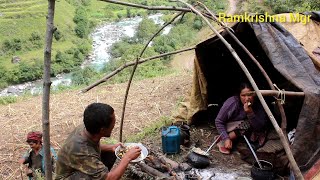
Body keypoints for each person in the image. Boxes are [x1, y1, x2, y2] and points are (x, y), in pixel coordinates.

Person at [55, 102, 141, 180]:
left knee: (112, 152)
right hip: (68, 177)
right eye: (113, 123)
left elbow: (90, 147)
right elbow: (109, 179)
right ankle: (101, 175)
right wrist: (127, 158)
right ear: (102, 130)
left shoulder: (87, 128)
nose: (114, 124)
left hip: (80, 161)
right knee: (88, 177)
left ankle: (101, 173)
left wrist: (111, 148)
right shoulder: (82, 150)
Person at [214, 82, 268, 154]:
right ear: (239, 95)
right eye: (243, 95)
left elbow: (259, 126)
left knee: (254, 126)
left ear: (254, 94)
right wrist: (226, 138)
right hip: (229, 126)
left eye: (250, 95)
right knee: (247, 124)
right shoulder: (232, 102)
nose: (247, 98)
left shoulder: (258, 105)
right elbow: (219, 121)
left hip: (243, 129)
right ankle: (224, 139)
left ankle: (224, 139)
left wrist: (250, 113)